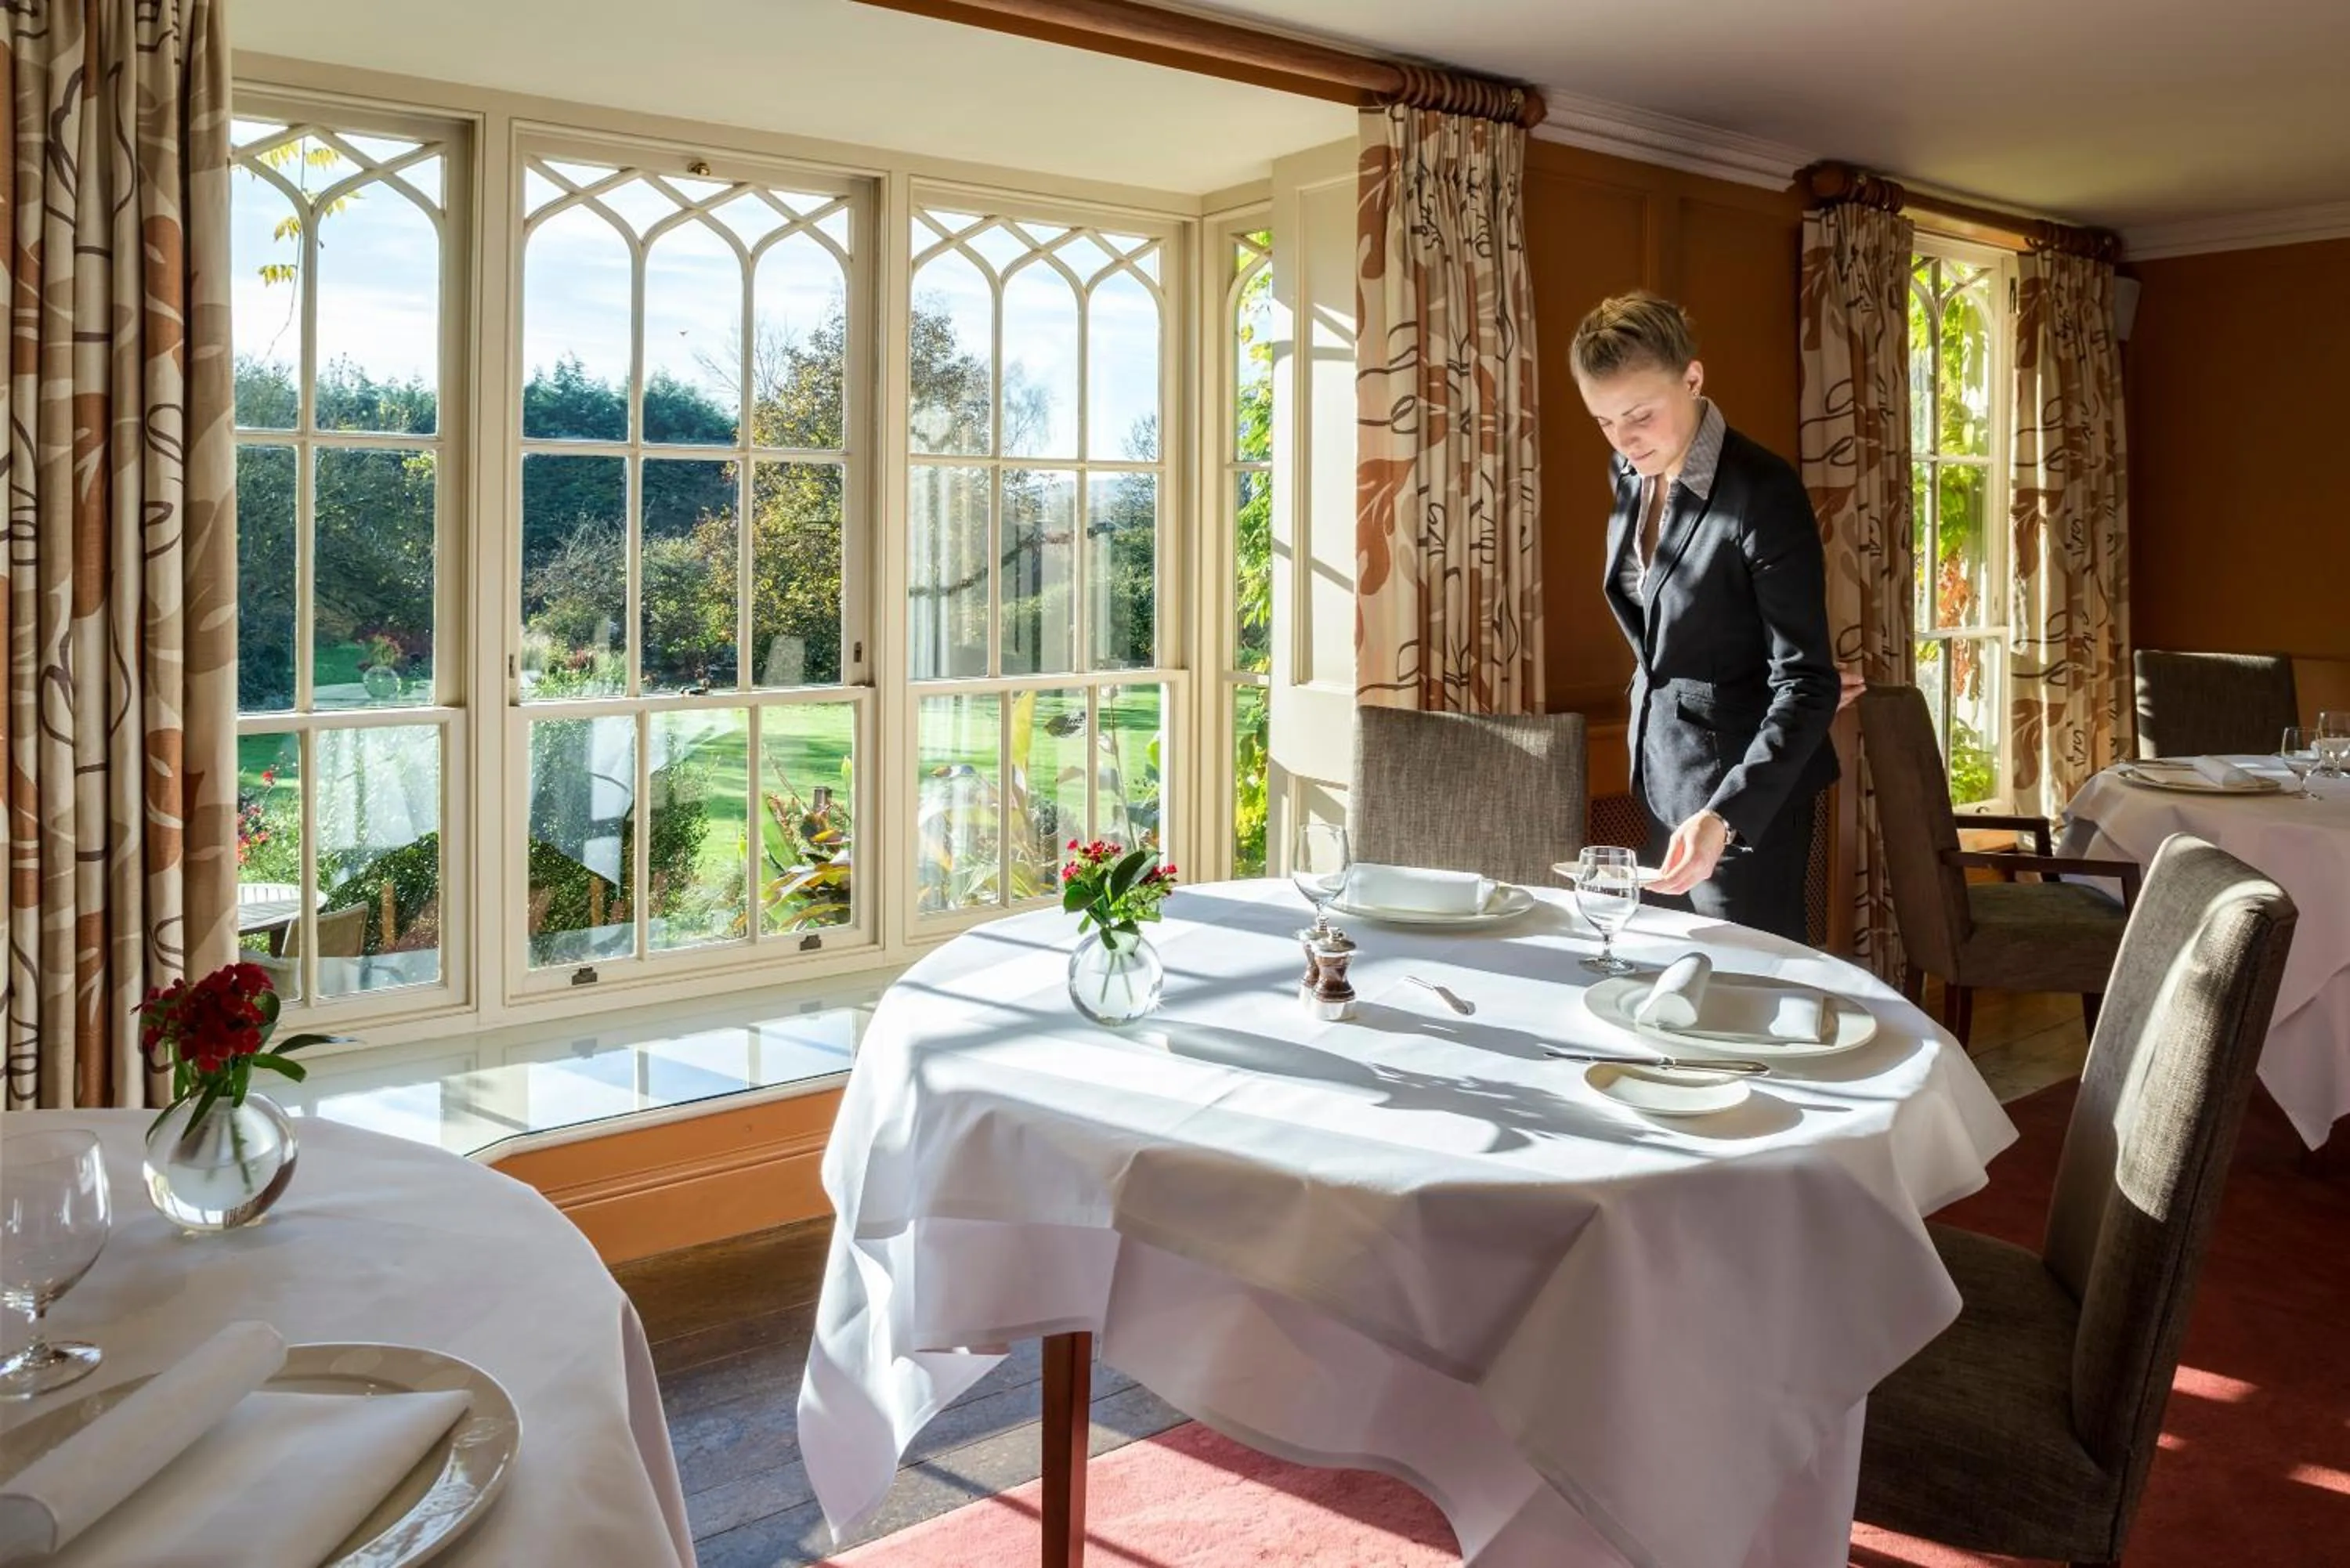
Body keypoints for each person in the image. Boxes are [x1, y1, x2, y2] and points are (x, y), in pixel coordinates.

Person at [1571, 292, 1845, 942]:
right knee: (1669, 993)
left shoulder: (1762, 492)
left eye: (1639, 414)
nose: (1623, 439)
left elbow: (1808, 681)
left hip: (1747, 802)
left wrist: (1726, 816)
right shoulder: (1630, 470)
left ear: (1693, 379)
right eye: (1604, 421)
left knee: (1746, 999)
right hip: (1665, 776)